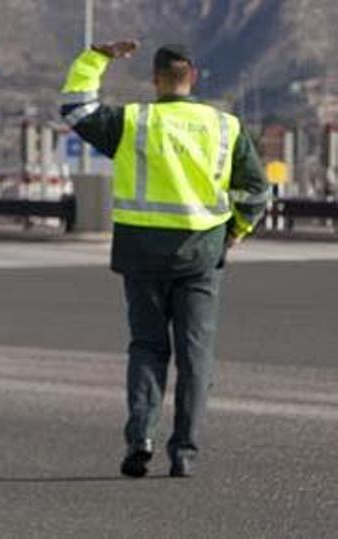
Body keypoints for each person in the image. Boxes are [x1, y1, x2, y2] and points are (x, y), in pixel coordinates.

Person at [60, 41, 270, 478]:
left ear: (155, 80)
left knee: (147, 348)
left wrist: (95, 58)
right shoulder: (226, 127)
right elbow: (256, 190)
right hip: (200, 256)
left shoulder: (134, 122)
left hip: (141, 257)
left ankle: (141, 438)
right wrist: (234, 231)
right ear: (191, 75)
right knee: (196, 356)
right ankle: (185, 452)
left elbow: (76, 108)